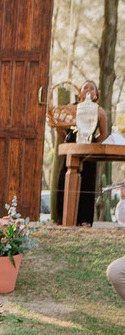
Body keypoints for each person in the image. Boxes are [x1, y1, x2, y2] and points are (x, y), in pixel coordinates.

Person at [55, 79, 109, 226]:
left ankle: (84, 220)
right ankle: (63, 219)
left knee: (87, 181)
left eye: (92, 88)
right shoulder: (71, 108)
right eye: (85, 88)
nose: (88, 90)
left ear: (96, 94)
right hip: (71, 147)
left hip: (89, 151)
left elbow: (104, 133)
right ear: (80, 92)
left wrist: (93, 145)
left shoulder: (99, 111)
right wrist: (67, 140)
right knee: (64, 180)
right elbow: (58, 125)